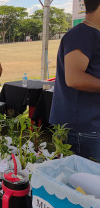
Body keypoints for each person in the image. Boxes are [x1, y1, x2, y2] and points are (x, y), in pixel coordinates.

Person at [49, 0, 100, 161]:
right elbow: (74, 78)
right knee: (82, 184)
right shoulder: (82, 34)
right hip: (81, 129)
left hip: (88, 126)